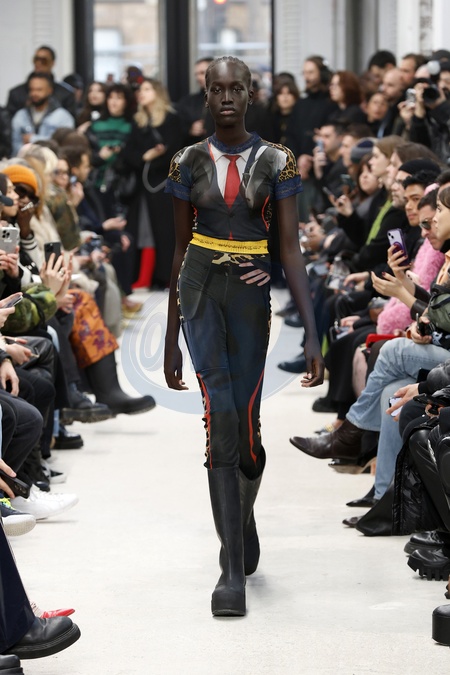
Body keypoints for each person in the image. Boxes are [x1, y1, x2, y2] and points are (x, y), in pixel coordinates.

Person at [164, 56, 324, 618]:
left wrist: (312, 334)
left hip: (251, 293)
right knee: (220, 417)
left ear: (252, 95)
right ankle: (230, 569)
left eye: (237, 88)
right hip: (200, 290)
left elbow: (290, 249)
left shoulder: (278, 160)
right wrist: (169, 338)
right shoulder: (185, 162)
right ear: (206, 96)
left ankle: (241, 516)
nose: (227, 97)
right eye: (217, 89)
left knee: (247, 424)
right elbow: (179, 250)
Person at [10, 73, 75, 156]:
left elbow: (64, 145)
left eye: (39, 90)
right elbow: (15, 148)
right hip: (25, 161)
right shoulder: (20, 116)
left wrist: (33, 139)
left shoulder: (63, 117)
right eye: (31, 89)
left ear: (49, 90)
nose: (34, 93)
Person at [6, 45, 77, 119]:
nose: (38, 63)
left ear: (52, 63)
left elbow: (70, 122)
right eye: (36, 59)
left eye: (44, 60)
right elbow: (10, 121)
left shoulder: (66, 94)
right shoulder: (16, 94)